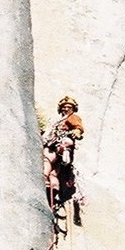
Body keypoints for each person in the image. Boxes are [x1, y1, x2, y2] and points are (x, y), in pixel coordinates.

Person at [43, 95, 84, 224]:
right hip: (57, 143)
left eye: (68, 107)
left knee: (47, 159)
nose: (66, 108)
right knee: (55, 171)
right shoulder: (59, 120)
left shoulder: (72, 118)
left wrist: (76, 133)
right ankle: (53, 187)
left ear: (73, 108)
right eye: (64, 107)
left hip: (59, 144)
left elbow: (78, 128)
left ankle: (43, 177)